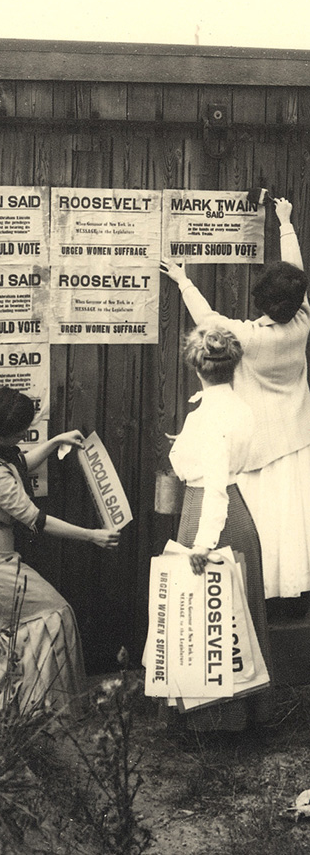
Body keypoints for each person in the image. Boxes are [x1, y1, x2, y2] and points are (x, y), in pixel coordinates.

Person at [161, 198, 310, 614]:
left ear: (262, 302)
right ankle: (292, 599)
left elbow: (208, 319)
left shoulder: (250, 336)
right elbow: (296, 276)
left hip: (258, 447)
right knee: (293, 529)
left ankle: (264, 596)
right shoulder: (302, 321)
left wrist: (183, 281)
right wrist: (285, 224)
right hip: (297, 437)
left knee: (263, 526)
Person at [0, 385, 120, 716]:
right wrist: (92, 535)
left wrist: (54, 442)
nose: (26, 431)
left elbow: (19, 463)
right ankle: (44, 709)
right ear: (8, 432)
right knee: (54, 614)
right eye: (23, 428)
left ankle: (27, 707)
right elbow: (35, 520)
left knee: (35, 621)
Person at [166, 323, 273, 731]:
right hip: (237, 513)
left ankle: (215, 724)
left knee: (209, 615)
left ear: (197, 368)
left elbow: (214, 486)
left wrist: (202, 544)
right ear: (234, 366)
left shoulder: (208, 416)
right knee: (233, 614)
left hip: (211, 515)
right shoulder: (241, 409)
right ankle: (244, 715)